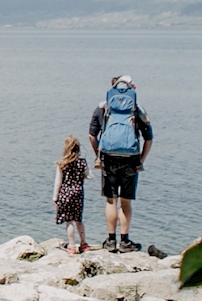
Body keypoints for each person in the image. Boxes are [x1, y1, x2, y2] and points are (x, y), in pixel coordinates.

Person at [89, 73, 153, 252]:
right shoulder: (137, 109)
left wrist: (98, 156)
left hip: (108, 157)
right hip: (130, 159)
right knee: (125, 202)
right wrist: (140, 160)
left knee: (111, 201)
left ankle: (110, 241)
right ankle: (125, 242)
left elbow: (91, 135)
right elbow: (149, 138)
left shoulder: (102, 107)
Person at [52, 135, 90, 254]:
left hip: (65, 194)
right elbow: (89, 176)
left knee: (69, 221)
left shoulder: (62, 163)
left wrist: (55, 197)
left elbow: (58, 181)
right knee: (79, 219)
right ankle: (84, 243)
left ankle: (72, 245)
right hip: (78, 193)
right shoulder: (82, 163)